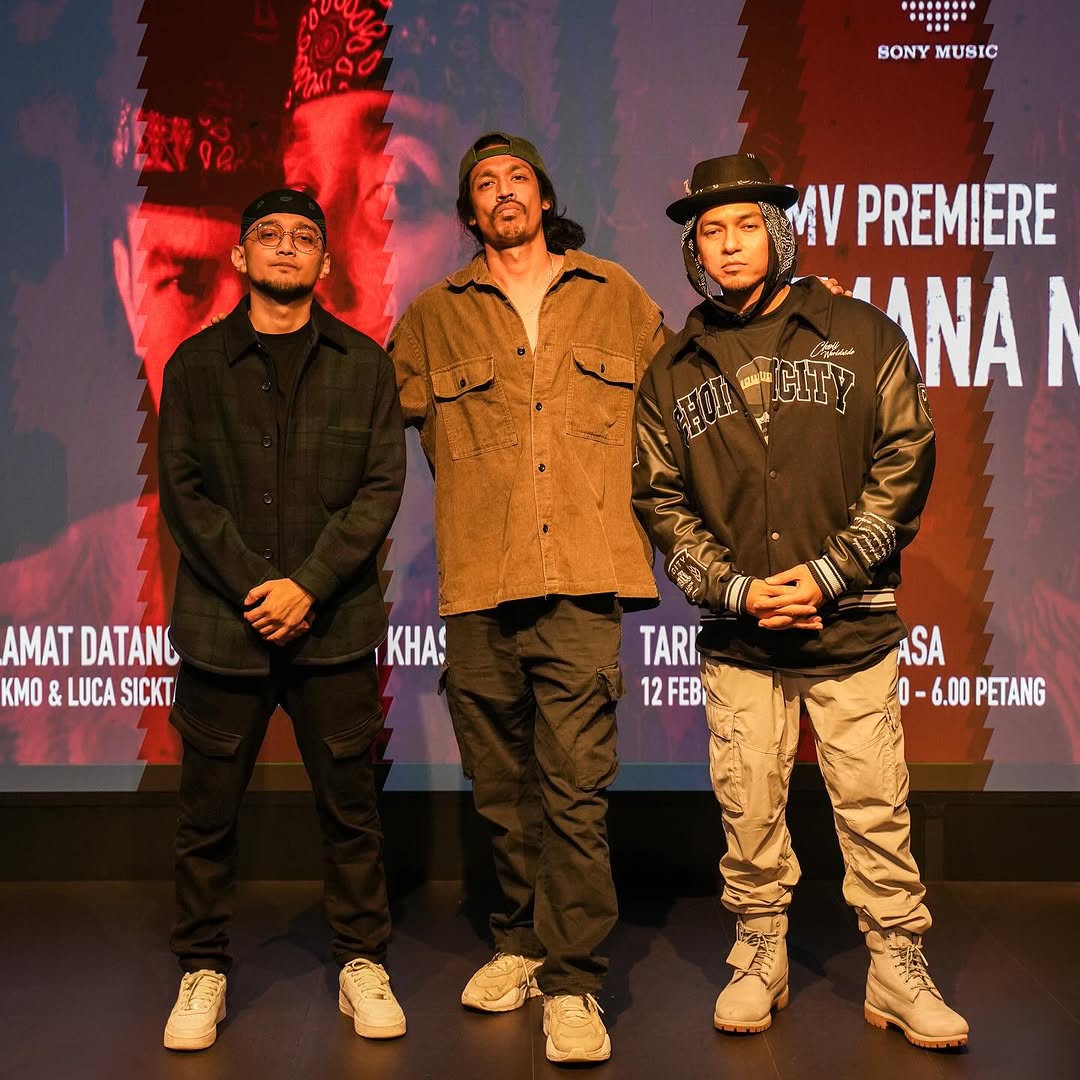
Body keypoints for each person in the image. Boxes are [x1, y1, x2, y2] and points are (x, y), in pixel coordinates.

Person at [631, 153, 969, 1049]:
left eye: (747, 225)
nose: (729, 243)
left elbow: (906, 458)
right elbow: (660, 499)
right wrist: (738, 590)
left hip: (849, 627)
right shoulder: (674, 367)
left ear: (778, 234)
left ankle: (896, 965)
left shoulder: (862, 332)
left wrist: (829, 573)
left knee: (874, 806)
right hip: (741, 636)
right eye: (711, 230)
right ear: (694, 249)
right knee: (748, 810)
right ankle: (760, 954)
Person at [387, 132, 665, 1064]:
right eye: (484, 184)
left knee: (575, 789)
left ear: (544, 197)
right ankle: (521, 941)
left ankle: (575, 980)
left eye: (517, 178)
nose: (502, 192)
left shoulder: (615, 295)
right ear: (470, 212)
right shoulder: (435, 316)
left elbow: (685, 399)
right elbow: (371, 416)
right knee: (503, 787)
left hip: (585, 579)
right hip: (480, 581)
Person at [157, 189, 407, 1050]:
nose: (287, 247)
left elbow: (380, 487)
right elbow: (184, 493)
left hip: (333, 629)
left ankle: (362, 961)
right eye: (269, 235)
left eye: (305, 237)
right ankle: (202, 969)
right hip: (222, 631)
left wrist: (308, 585)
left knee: (351, 813)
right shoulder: (194, 366)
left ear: (326, 263)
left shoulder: (364, 364)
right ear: (240, 257)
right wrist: (260, 587)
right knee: (206, 818)